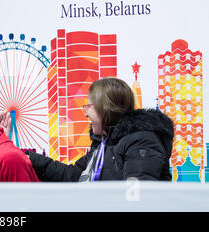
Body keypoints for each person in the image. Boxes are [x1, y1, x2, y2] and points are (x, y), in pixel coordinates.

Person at [26, 77, 174, 182]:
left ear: (106, 109)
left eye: (89, 107)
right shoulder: (104, 145)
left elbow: (137, 198)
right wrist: (27, 157)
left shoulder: (141, 142)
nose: (85, 113)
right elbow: (72, 176)